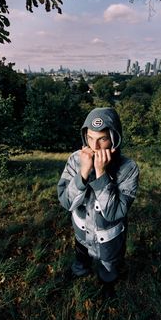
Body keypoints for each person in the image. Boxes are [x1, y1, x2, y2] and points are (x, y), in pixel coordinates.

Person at [57, 107, 139, 298]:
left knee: (109, 264)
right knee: (81, 255)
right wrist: (84, 173)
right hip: (81, 232)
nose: (95, 146)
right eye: (91, 138)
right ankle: (80, 271)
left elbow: (115, 213)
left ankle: (107, 285)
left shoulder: (128, 169)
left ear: (114, 138)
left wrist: (101, 174)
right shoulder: (75, 160)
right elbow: (66, 202)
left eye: (102, 139)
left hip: (109, 238)